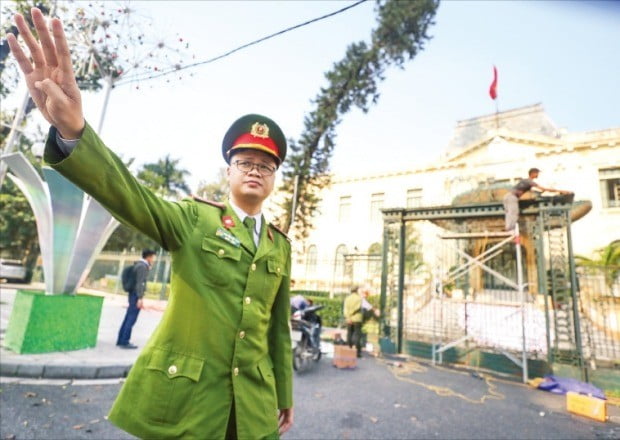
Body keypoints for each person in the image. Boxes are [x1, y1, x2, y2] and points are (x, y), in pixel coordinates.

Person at [7, 9, 293, 439]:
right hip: (191, 403)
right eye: (245, 162)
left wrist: (284, 392)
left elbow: (278, 328)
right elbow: (133, 199)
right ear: (229, 173)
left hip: (254, 404)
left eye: (266, 166)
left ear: (273, 179)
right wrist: (73, 131)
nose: (255, 170)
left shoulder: (280, 245)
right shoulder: (195, 219)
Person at [502, 168, 573, 231]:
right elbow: (543, 188)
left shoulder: (526, 181)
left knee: (509, 213)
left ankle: (508, 228)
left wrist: (542, 192)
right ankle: (510, 229)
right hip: (512, 197)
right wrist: (561, 191)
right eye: (537, 173)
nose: (537, 175)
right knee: (514, 213)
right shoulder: (529, 181)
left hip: (508, 197)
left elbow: (534, 191)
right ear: (533, 173)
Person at [116, 249, 156, 349]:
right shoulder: (142, 267)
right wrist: (140, 298)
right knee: (131, 318)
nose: (154, 260)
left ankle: (121, 340)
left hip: (133, 294)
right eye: (153, 257)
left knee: (128, 317)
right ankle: (125, 341)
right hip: (135, 295)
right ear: (149, 257)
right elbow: (140, 283)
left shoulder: (138, 265)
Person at [343, 286, 374, 358]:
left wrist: (348, 317)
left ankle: (348, 350)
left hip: (349, 319)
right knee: (357, 335)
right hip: (357, 319)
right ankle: (357, 352)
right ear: (357, 291)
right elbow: (363, 307)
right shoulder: (359, 299)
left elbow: (345, 309)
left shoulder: (347, 298)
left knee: (349, 334)